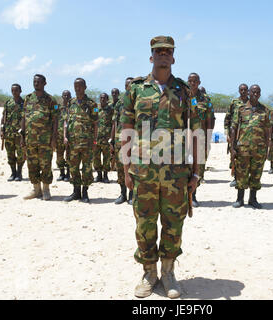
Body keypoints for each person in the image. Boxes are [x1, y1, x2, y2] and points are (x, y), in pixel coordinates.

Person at [121, 36, 198, 299]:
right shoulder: (136, 89)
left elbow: (195, 132)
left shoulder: (184, 91)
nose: (163, 55)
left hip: (176, 173)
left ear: (174, 57)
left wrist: (196, 172)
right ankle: (149, 273)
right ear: (151, 56)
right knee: (145, 224)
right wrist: (125, 167)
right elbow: (127, 128)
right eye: (158, 52)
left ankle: (167, 272)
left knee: (173, 223)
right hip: (143, 171)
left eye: (168, 52)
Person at [230, 85, 270, 209]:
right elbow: (234, 127)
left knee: (256, 174)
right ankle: (240, 199)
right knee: (241, 173)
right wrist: (232, 147)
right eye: (253, 92)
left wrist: (268, 148)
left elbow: (268, 130)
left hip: (259, 148)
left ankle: (253, 199)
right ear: (249, 93)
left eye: (258, 92)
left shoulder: (264, 110)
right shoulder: (241, 108)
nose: (255, 94)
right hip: (243, 148)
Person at [21, 74, 59, 201]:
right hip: (30, 139)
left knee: (46, 165)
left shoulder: (50, 100)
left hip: (45, 140)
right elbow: (24, 118)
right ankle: (36, 189)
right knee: (32, 165)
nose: (36, 84)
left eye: (39, 82)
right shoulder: (27, 99)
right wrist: (22, 136)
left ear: (44, 83)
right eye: (34, 82)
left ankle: (46, 190)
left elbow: (55, 120)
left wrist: (54, 138)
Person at [63, 78, 99, 203]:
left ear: (85, 87)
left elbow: (95, 124)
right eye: (75, 86)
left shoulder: (92, 104)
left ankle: (85, 192)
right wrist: (65, 136)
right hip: (72, 143)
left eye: (80, 86)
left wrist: (94, 142)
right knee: (73, 167)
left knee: (87, 168)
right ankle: (76, 191)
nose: (77, 89)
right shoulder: (70, 103)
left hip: (87, 143)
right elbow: (66, 122)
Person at [188, 72, 214, 207]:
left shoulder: (205, 99)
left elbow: (210, 120)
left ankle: (194, 195)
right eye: (190, 81)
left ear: (199, 82)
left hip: (200, 137)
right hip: (184, 138)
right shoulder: (182, 97)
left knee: (197, 166)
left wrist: (208, 138)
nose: (192, 83)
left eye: (195, 81)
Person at [110, 78, 134, 205]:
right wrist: (112, 140)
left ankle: (132, 194)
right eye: (126, 85)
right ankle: (123, 193)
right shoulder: (120, 102)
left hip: (134, 139)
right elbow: (115, 122)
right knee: (120, 167)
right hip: (120, 139)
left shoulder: (138, 101)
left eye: (130, 84)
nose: (128, 87)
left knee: (133, 166)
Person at [225, 84, 249, 187]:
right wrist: (227, 133)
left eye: (245, 90)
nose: (243, 91)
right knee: (234, 156)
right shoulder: (234, 103)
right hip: (233, 133)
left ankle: (244, 178)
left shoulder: (250, 103)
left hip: (245, 135)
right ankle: (235, 176)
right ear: (239, 91)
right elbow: (228, 118)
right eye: (241, 90)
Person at [1, 84, 25, 182]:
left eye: (16, 90)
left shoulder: (24, 103)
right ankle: (13, 172)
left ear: (20, 91)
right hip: (9, 133)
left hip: (19, 134)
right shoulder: (8, 103)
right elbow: (4, 117)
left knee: (20, 154)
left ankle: (19, 173)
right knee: (10, 154)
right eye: (12, 90)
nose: (14, 92)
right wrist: (1, 129)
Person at [94, 93, 113, 184]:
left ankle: (105, 176)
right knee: (96, 157)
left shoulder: (110, 109)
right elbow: (93, 120)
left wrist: (111, 137)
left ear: (107, 99)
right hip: (96, 137)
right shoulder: (96, 108)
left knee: (106, 157)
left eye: (104, 98)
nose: (102, 99)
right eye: (101, 98)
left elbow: (113, 123)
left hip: (106, 138)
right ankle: (99, 175)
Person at [56, 90, 72, 182]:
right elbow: (53, 119)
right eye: (64, 95)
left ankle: (68, 173)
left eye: (68, 95)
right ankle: (61, 173)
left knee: (69, 156)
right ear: (62, 96)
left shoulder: (73, 108)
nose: (66, 97)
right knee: (59, 156)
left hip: (70, 136)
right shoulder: (57, 107)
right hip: (59, 136)